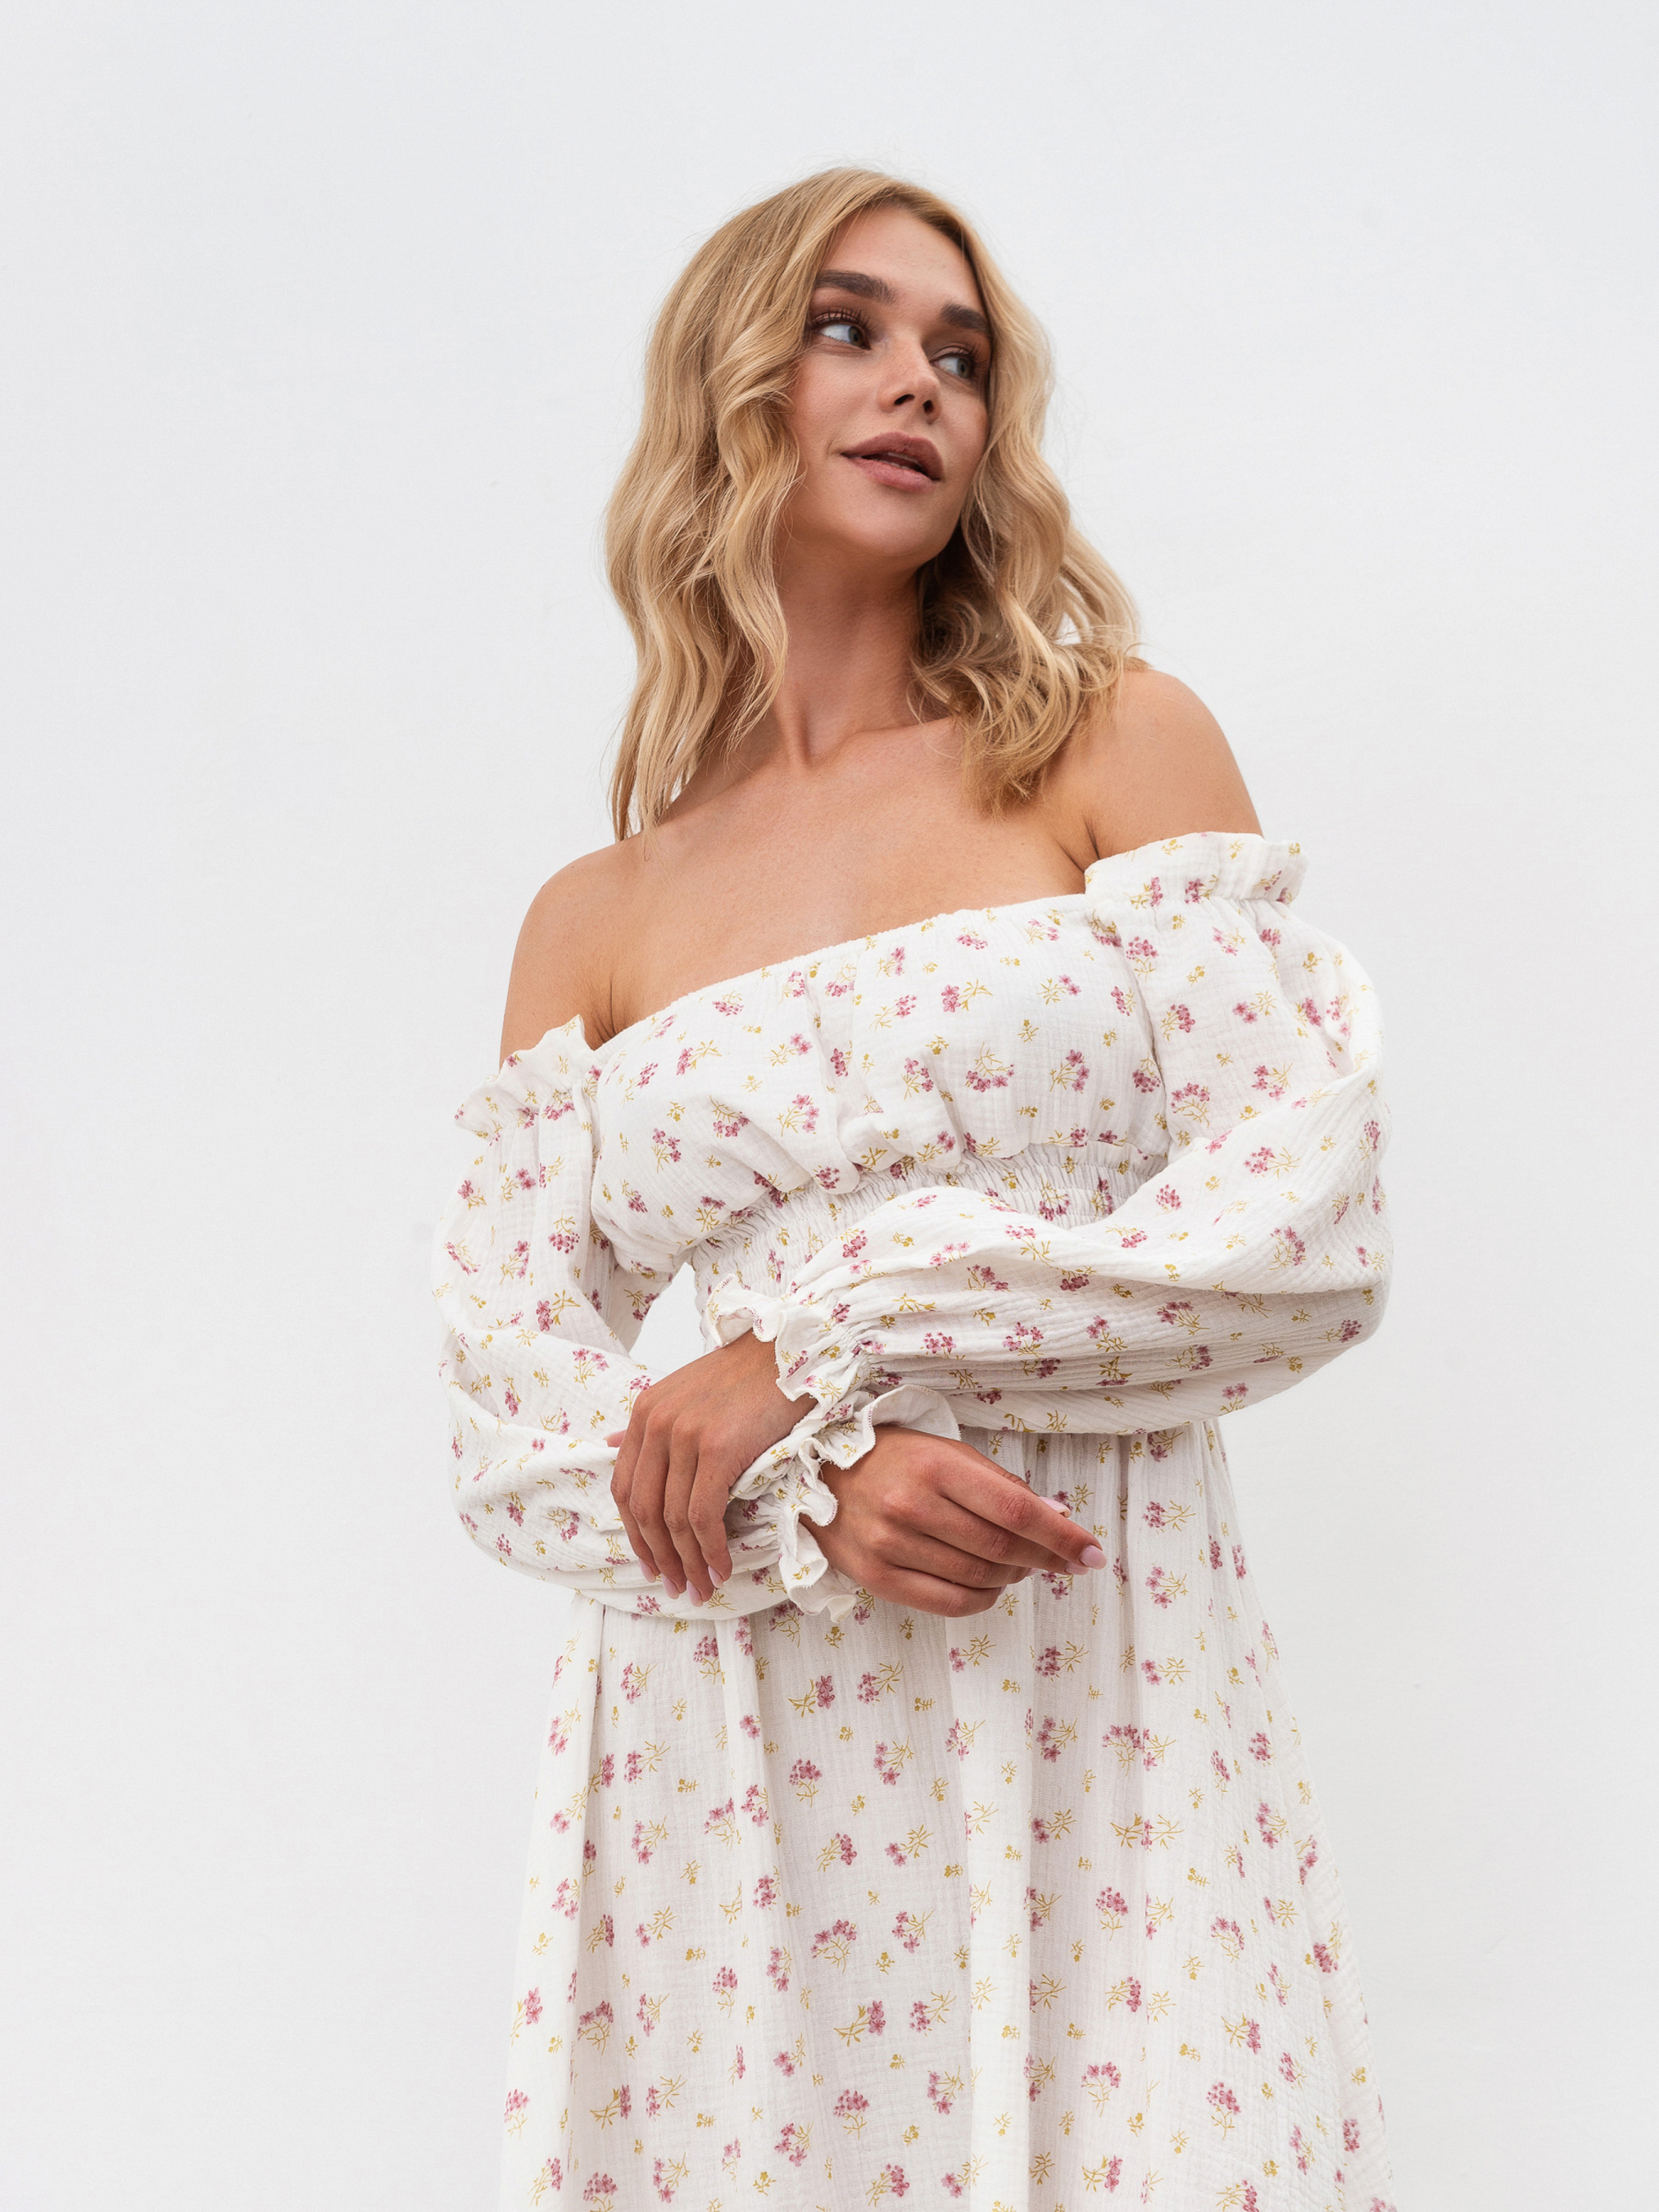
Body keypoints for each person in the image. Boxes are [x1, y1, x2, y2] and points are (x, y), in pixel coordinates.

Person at [433, 167, 1397, 2212]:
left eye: (960, 355)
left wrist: (817, 1355)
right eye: (846, 329)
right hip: (726, 1753)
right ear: (728, 388)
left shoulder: (1106, 744)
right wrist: (805, 1493)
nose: (917, 386)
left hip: (1087, 1693)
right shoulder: (595, 913)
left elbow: (1297, 1225)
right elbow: (509, 1422)